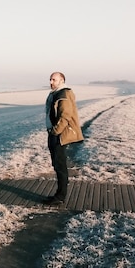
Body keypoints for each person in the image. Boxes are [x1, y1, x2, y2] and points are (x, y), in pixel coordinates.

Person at [44, 72, 83, 206]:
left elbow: (65, 116)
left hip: (60, 135)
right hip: (54, 133)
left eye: (54, 79)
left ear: (61, 80)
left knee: (60, 166)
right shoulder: (56, 93)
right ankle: (59, 194)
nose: (51, 82)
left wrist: (55, 132)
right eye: (50, 79)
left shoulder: (64, 94)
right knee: (57, 164)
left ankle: (60, 196)